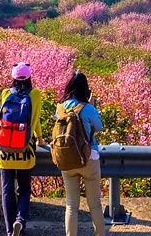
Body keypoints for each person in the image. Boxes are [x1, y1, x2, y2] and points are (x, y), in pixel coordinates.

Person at [0, 62, 44, 236]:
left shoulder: (5, 93)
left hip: (5, 149)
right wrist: (39, 138)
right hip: (25, 150)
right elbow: (35, 119)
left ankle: (10, 231)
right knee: (23, 189)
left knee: (7, 190)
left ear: (13, 78)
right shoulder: (36, 94)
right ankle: (20, 221)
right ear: (30, 77)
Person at [58, 71, 107, 236]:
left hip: (67, 158)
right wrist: (92, 105)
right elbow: (99, 127)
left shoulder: (61, 107)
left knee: (71, 205)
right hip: (88, 158)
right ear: (85, 88)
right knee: (95, 205)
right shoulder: (88, 108)